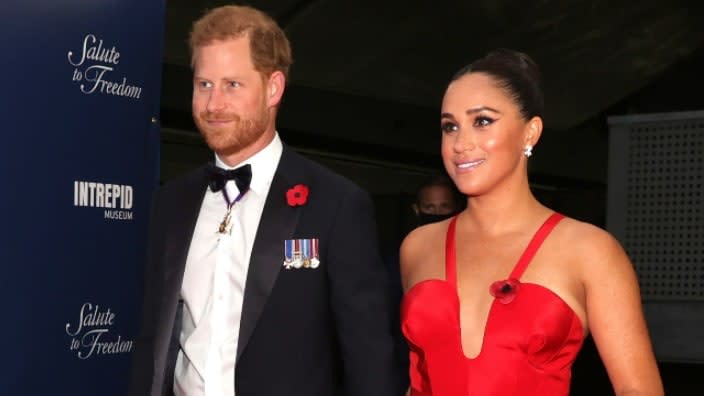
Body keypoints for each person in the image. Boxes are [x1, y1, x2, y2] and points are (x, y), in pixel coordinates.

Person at [128, 5, 401, 396]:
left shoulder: (336, 205)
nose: (213, 104)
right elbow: (151, 341)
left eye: (232, 85)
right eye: (204, 84)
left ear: (273, 88)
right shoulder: (170, 202)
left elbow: (369, 360)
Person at [399, 49, 664, 395]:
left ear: (530, 132)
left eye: (482, 121)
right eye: (450, 126)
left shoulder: (590, 251)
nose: (461, 144)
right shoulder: (418, 246)